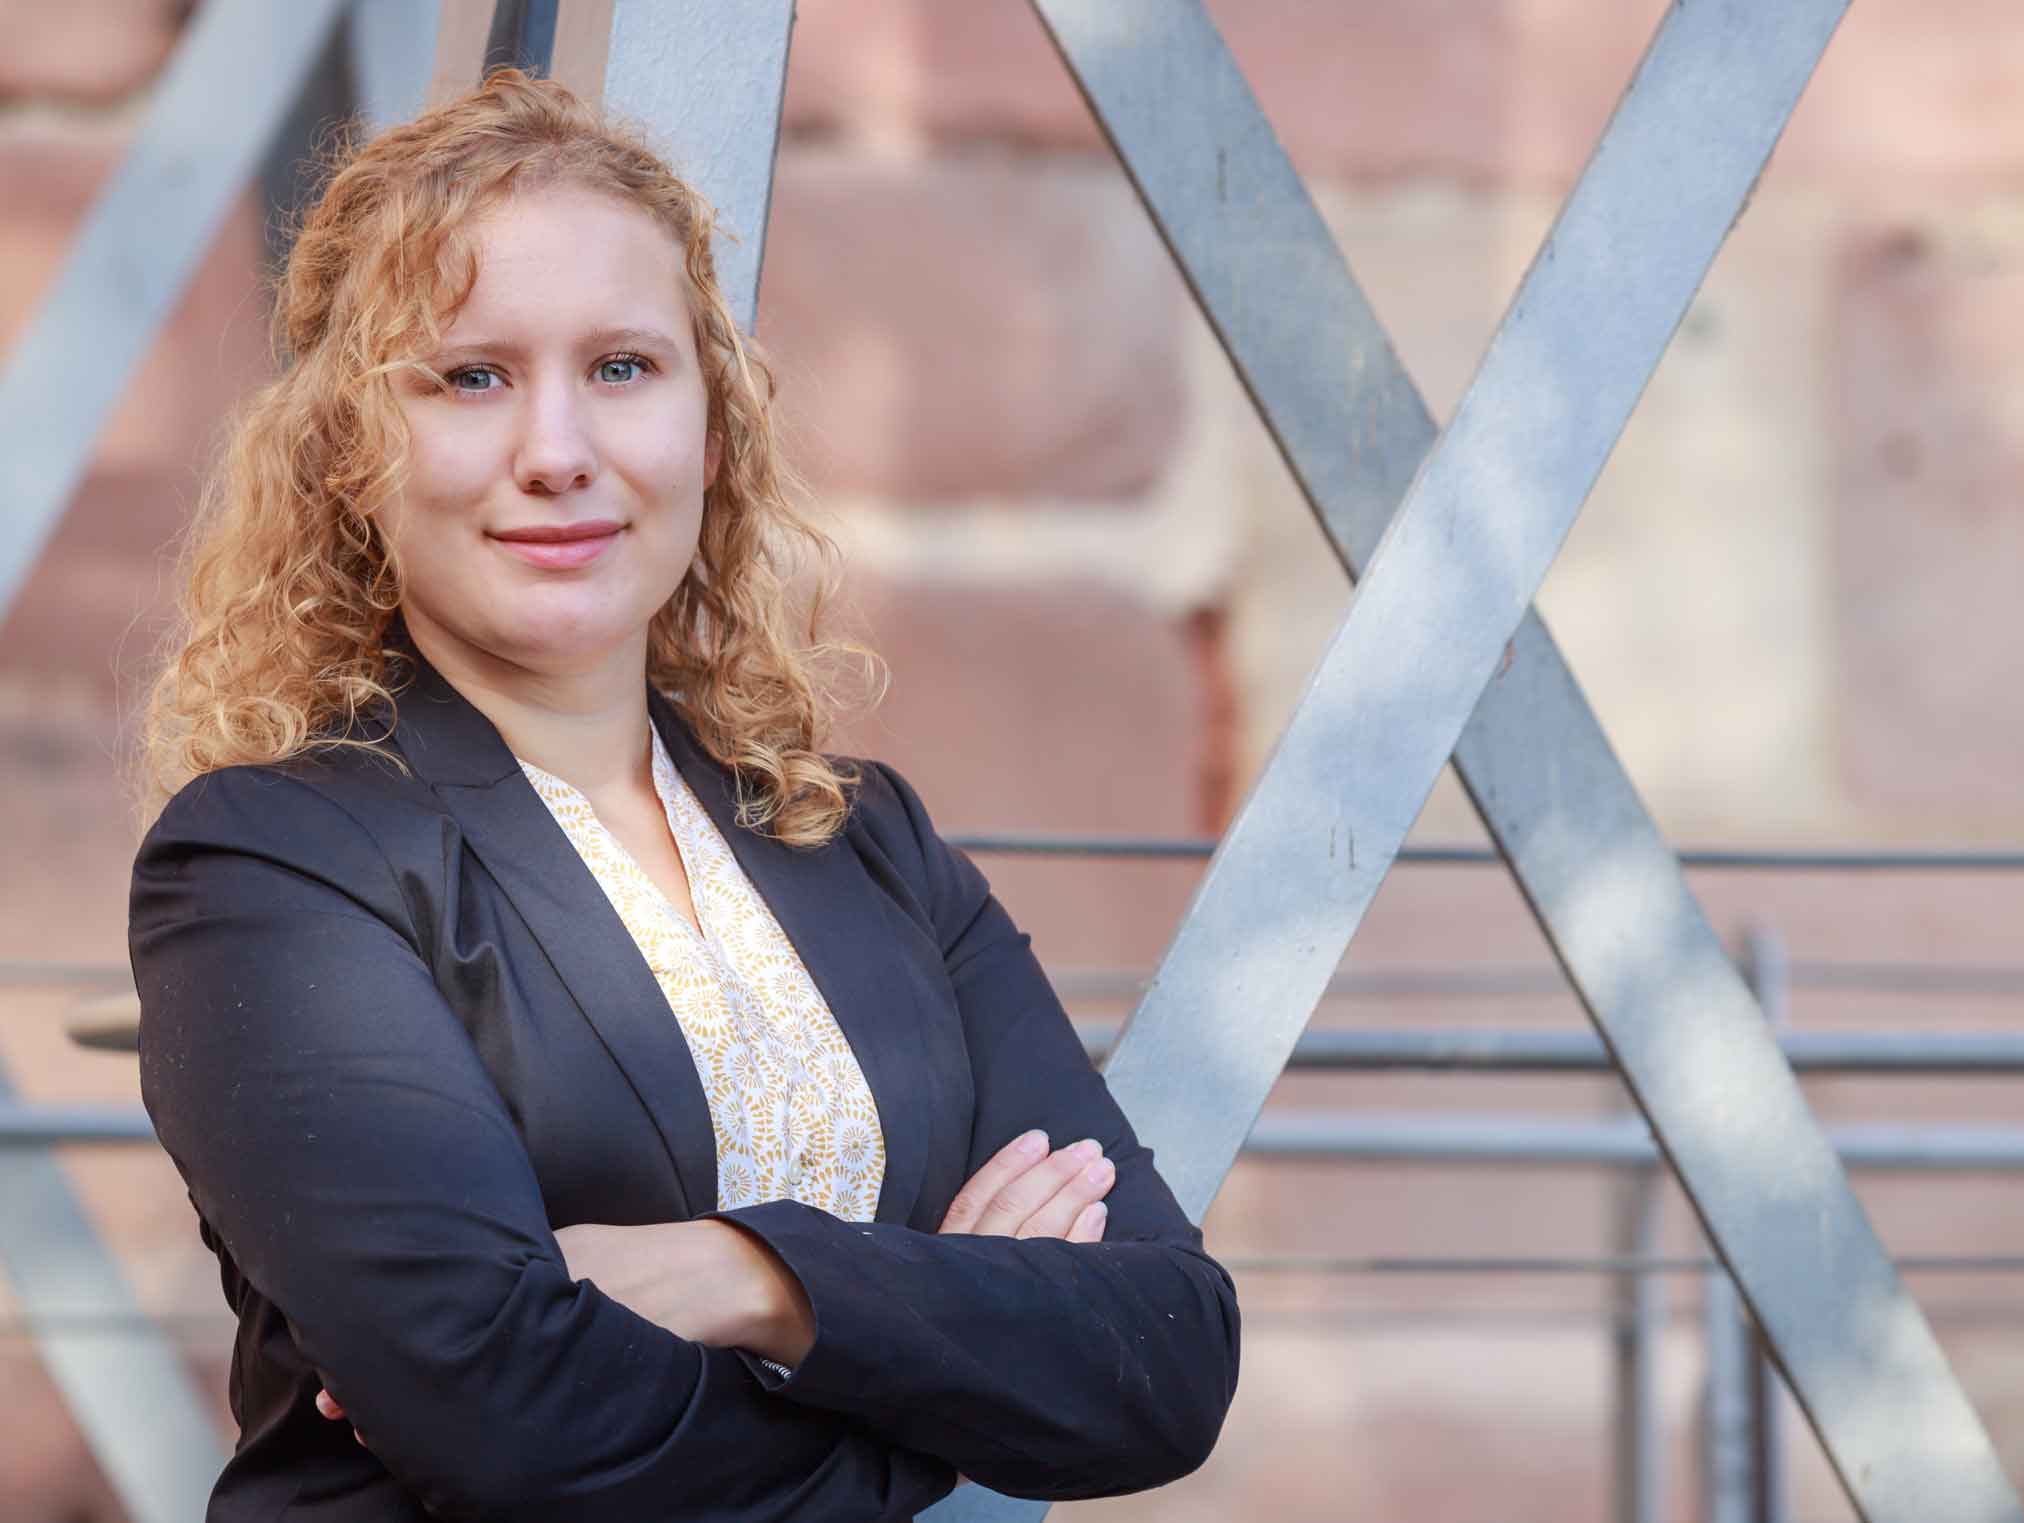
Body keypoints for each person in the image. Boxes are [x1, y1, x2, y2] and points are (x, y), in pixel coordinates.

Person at [127, 69, 1239, 1522]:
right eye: (471, 377)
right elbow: (510, 1423)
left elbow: (1167, 1357)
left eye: (622, 368)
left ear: (712, 430)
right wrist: (942, 1384)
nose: (557, 453)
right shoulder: (273, 864)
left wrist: (746, 1279)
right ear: (350, 456)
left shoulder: (861, 839)